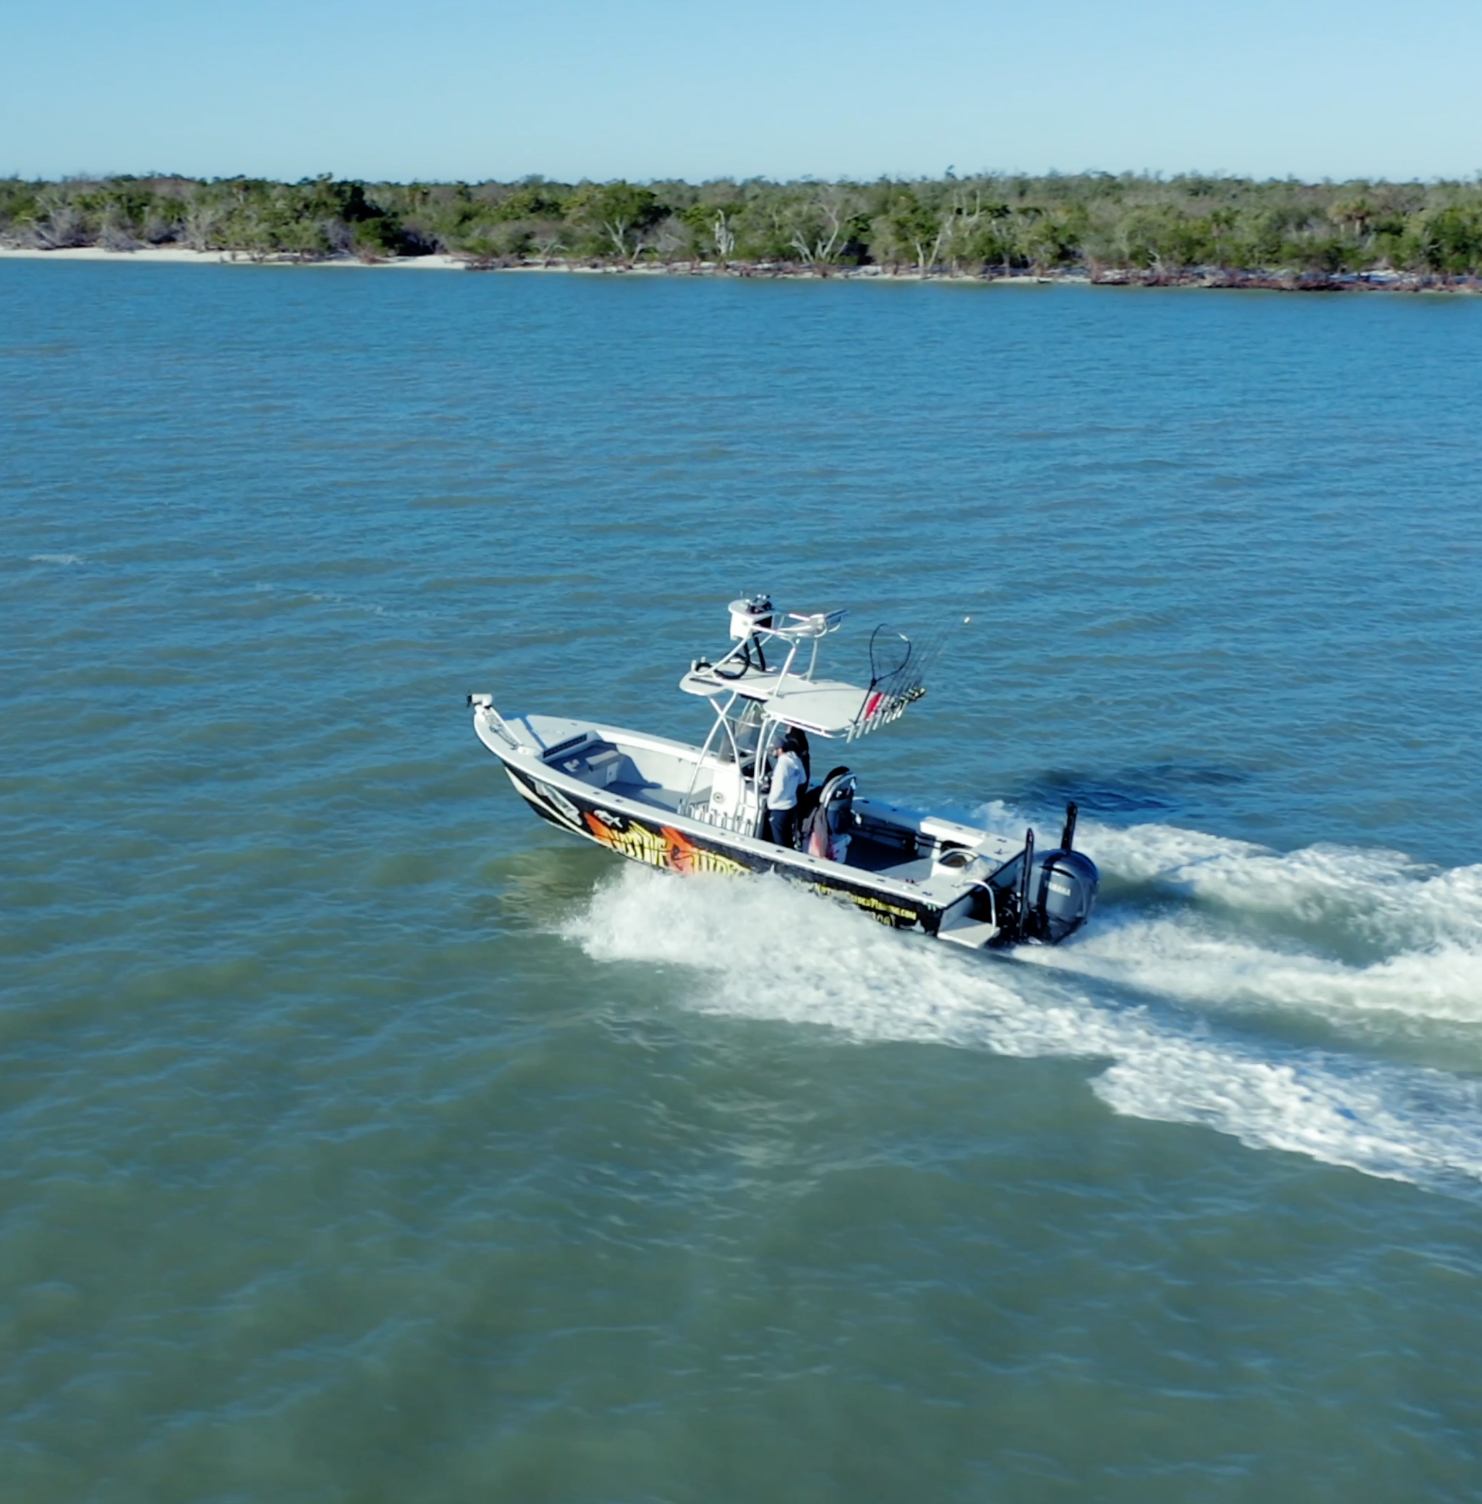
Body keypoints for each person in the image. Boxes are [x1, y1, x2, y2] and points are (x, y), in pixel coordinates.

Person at [766, 728, 809, 846]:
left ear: (780, 749)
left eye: (773, 750)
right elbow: (803, 779)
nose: (772, 753)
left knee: (779, 839)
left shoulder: (782, 765)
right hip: (792, 804)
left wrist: (770, 803)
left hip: (779, 808)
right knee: (787, 836)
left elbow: (778, 788)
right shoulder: (795, 760)